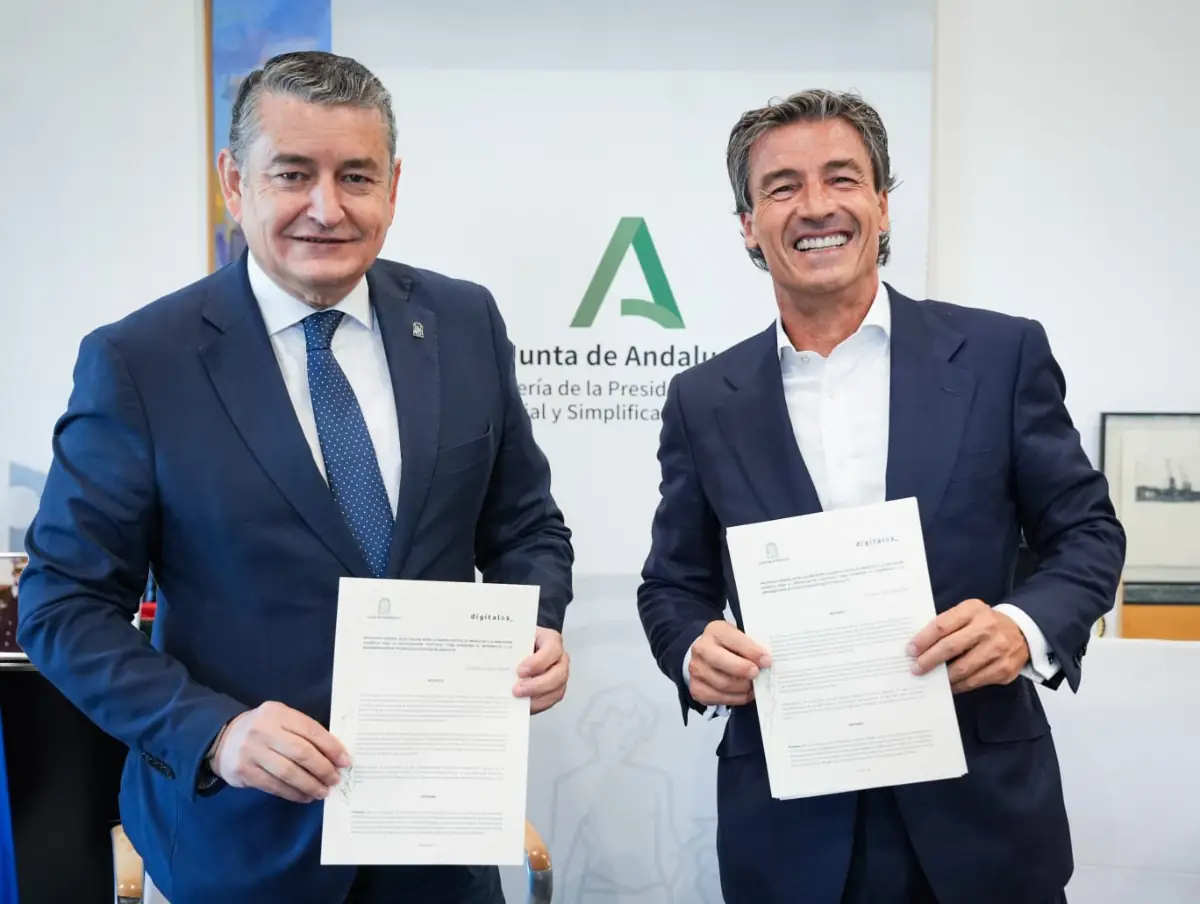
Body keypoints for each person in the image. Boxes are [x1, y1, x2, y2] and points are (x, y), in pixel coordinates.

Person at [17, 51, 573, 904]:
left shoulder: (464, 323)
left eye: (356, 176)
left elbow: (525, 527)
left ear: (393, 186)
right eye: (292, 173)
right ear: (234, 182)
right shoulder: (140, 363)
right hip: (238, 848)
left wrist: (536, 625)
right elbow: (63, 605)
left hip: (438, 846)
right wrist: (216, 733)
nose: (327, 207)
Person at [635, 89, 1124, 904]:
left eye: (842, 178)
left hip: (983, 814)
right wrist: (692, 650)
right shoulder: (703, 399)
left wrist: (1022, 626)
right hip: (791, 828)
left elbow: (1088, 534)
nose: (815, 206)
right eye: (782, 187)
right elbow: (672, 585)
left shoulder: (999, 354)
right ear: (749, 225)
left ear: (883, 205)